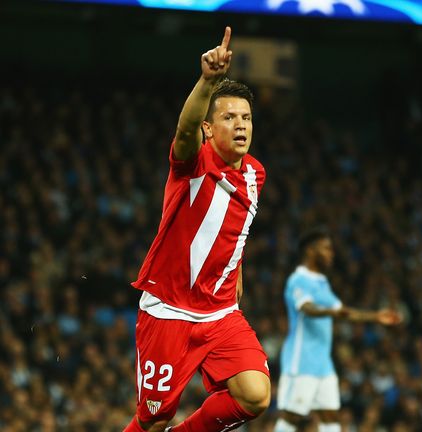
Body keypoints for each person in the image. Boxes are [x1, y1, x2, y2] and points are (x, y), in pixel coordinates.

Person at [123, 27, 271, 432]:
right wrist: (207, 82)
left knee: (255, 395)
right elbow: (184, 131)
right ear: (209, 129)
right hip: (169, 309)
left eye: (246, 118)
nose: (241, 125)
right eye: (228, 117)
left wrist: (236, 270)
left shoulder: (256, 173)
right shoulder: (192, 164)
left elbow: (235, 227)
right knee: (155, 420)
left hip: (220, 312)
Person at [273, 228, 402, 432]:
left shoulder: (322, 283)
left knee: (330, 416)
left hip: (323, 363)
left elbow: (343, 312)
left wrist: (376, 316)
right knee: (292, 416)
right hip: (302, 361)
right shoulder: (297, 280)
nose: (331, 253)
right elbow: (307, 308)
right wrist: (331, 313)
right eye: (326, 248)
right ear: (310, 250)